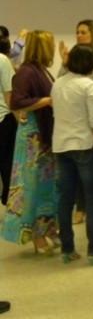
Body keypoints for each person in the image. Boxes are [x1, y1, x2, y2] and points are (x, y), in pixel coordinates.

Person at [51, 44, 93, 265]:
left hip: (60, 146)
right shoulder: (89, 85)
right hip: (84, 145)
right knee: (92, 199)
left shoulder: (58, 83)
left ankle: (67, 249)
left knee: (65, 198)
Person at [0, 30, 58, 254]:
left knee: (46, 189)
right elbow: (17, 101)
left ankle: (47, 229)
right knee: (32, 188)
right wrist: (46, 101)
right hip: (33, 138)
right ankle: (36, 234)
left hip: (43, 137)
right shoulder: (27, 71)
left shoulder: (41, 70)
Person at [59, 19, 93, 224]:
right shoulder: (72, 58)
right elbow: (60, 82)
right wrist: (64, 63)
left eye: (83, 32)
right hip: (77, 115)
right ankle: (80, 207)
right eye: (77, 32)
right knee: (79, 161)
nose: (79, 36)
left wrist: (77, 83)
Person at [0, 41, 17, 207]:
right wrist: (20, 119)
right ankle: (8, 200)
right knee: (7, 162)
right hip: (3, 118)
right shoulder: (2, 60)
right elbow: (8, 93)